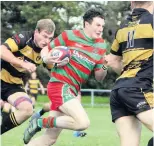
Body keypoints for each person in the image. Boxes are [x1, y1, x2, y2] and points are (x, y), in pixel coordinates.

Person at [23, 8, 107, 145]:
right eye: (98, 25)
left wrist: (104, 65)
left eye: (102, 26)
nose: (101, 29)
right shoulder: (69, 35)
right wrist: (46, 59)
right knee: (83, 122)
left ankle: (40, 122)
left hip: (71, 91)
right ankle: (39, 122)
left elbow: (99, 77)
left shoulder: (101, 45)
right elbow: (46, 49)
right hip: (59, 86)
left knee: (49, 139)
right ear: (87, 24)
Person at [105, 1, 153, 146]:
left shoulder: (123, 27)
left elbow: (113, 61)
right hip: (139, 88)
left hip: (119, 90)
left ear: (132, 3)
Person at [0, 18, 58, 134]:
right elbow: (1, 50)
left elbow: (55, 71)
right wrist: (22, 63)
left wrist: (57, 61)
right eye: (44, 36)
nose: (47, 41)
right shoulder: (23, 38)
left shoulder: (46, 52)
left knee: (27, 109)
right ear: (36, 32)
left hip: (13, 85)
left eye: (50, 38)